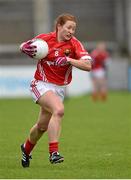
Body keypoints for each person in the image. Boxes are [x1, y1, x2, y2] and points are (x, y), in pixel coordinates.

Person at [20, 13, 92, 168]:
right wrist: (23, 47)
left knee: (42, 127)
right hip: (40, 84)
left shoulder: (74, 44)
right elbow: (25, 45)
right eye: (69, 27)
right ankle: (54, 152)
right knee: (58, 110)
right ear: (59, 26)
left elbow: (88, 66)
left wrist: (69, 60)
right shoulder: (44, 39)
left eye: (74, 28)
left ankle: (25, 149)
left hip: (58, 89)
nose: (71, 31)